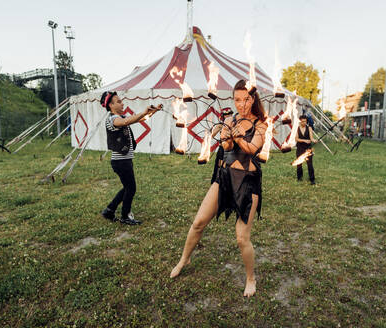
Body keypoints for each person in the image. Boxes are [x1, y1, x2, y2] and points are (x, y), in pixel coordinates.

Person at [170, 80, 267, 297]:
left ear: (253, 99)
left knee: (242, 237)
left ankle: (251, 278)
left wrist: (236, 135)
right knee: (197, 223)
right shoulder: (231, 119)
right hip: (224, 178)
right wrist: (226, 138)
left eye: (246, 99)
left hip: (247, 182)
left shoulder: (261, 123)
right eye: (237, 100)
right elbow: (226, 147)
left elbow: (252, 148)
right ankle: (183, 260)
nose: (241, 104)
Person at [100, 91, 161, 225]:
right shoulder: (112, 119)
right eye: (118, 101)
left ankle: (109, 210)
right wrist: (144, 112)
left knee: (127, 187)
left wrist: (153, 112)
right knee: (131, 188)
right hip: (120, 162)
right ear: (110, 105)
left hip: (124, 160)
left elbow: (139, 119)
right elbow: (126, 121)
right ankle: (125, 216)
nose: (122, 103)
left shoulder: (121, 117)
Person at [210, 107, 233, 184]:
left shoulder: (236, 123)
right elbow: (211, 135)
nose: (228, 116)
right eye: (226, 115)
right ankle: (218, 182)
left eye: (229, 114)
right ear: (223, 116)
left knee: (231, 167)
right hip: (222, 148)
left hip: (232, 149)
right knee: (220, 166)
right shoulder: (220, 124)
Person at [295, 114, 317, 185]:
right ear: (300, 121)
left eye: (305, 121)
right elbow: (296, 139)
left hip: (308, 148)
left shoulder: (309, 128)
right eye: (302, 121)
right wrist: (304, 140)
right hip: (300, 148)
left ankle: (312, 179)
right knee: (299, 164)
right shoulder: (297, 128)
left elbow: (311, 138)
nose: (304, 123)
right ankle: (299, 178)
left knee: (310, 164)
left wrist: (313, 140)